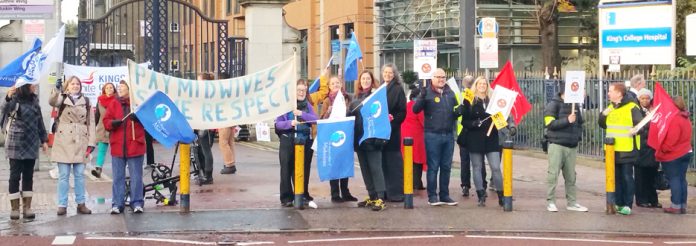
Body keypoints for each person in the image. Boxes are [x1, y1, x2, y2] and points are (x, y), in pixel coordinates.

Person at [412, 68, 460, 206]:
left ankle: (444, 195)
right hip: (432, 134)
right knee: (433, 167)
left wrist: (459, 112)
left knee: (446, 167)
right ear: (432, 78)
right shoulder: (427, 92)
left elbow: (455, 111)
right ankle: (432, 196)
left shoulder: (450, 93)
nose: (441, 79)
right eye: (438, 76)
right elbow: (416, 110)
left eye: (443, 77)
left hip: (448, 135)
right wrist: (421, 96)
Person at [50, 76, 96, 216]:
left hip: (81, 140)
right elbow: (52, 101)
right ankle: (62, 204)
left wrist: (91, 143)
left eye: (77, 84)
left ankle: (81, 203)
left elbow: (91, 123)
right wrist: (57, 90)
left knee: (80, 175)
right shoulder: (61, 98)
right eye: (72, 84)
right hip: (64, 140)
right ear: (67, 86)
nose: (75, 86)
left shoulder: (87, 101)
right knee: (63, 175)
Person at [2, 84, 48, 220]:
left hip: (31, 141)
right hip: (15, 141)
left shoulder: (34, 100)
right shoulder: (14, 98)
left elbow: (40, 121)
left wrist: (44, 140)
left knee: (28, 175)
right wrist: (8, 97)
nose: (35, 86)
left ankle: (27, 207)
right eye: (33, 84)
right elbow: (4, 110)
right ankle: (14, 208)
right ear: (25, 86)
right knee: (15, 175)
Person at [598, 82, 643, 215]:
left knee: (627, 177)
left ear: (619, 93)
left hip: (627, 149)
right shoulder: (611, 107)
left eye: (611, 91)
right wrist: (603, 115)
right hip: (612, 150)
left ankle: (627, 204)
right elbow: (602, 124)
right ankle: (617, 203)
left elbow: (642, 126)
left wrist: (635, 130)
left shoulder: (632, 107)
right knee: (615, 178)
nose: (608, 93)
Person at [543, 83, 588, 212]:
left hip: (571, 145)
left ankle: (572, 202)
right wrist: (567, 120)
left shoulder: (574, 106)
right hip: (557, 144)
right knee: (553, 174)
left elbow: (579, 122)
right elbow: (549, 124)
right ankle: (551, 201)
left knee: (571, 176)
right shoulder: (553, 104)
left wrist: (577, 136)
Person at [104, 80, 146, 214]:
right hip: (118, 146)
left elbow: (149, 120)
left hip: (135, 144)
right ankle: (117, 203)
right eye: (119, 87)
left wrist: (139, 118)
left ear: (130, 88)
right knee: (117, 177)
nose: (120, 89)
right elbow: (106, 121)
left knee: (136, 177)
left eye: (123, 86)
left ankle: (137, 202)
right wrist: (112, 124)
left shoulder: (138, 104)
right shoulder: (114, 103)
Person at [275, 79, 318, 208]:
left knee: (303, 169)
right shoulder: (286, 105)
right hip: (288, 139)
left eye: (303, 90)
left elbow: (316, 119)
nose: (301, 93)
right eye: (299, 90)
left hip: (304, 140)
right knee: (286, 169)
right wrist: (290, 123)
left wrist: (302, 114)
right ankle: (286, 197)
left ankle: (301, 194)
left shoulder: (307, 105)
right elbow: (278, 124)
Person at [461, 77, 503, 207]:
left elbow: (500, 118)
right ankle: (480, 195)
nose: (482, 86)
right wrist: (474, 123)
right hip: (475, 138)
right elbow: (464, 121)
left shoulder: (493, 100)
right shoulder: (469, 100)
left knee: (495, 167)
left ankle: (502, 195)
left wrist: (501, 123)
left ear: (487, 86)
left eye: (485, 84)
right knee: (477, 167)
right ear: (476, 85)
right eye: (480, 84)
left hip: (491, 137)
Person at [350, 70, 387, 211]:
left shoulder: (376, 97)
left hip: (372, 139)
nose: (365, 81)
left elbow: (381, 117)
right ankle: (371, 196)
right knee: (365, 169)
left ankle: (381, 198)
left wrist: (380, 137)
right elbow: (351, 116)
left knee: (376, 169)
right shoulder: (355, 99)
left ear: (372, 81)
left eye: (368, 78)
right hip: (360, 140)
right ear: (359, 81)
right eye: (363, 79)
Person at [320, 76, 357, 202]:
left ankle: (345, 192)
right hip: (332, 137)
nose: (335, 85)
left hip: (345, 135)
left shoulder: (348, 98)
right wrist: (328, 112)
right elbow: (322, 120)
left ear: (341, 84)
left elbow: (353, 113)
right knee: (334, 164)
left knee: (345, 163)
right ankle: (335, 194)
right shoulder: (326, 101)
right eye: (333, 83)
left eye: (337, 83)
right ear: (329, 86)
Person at [655, 96, 692, 214]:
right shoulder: (685, 118)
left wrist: (662, 150)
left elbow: (671, 140)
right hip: (686, 151)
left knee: (674, 179)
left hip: (674, 155)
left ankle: (675, 205)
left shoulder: (674, 119)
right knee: (682, 179)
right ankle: (682, 205)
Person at [380, 64, 407, 202]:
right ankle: (384, 191)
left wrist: (392, 122)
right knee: (383, 163)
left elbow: (403, 111)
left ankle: (396, 192)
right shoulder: (380, 88)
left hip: (393, 132)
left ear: (394, 74)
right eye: (385, 72)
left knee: (394, 164)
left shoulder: (397, 89)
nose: (388, 75)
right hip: (380, 133)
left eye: (390, 73)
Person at [634, 88, 661, 209]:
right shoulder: (636, 111)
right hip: (641, 147)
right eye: (642, 98)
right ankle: (641, 199)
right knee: (640, 176)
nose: (645, 100)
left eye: (647, 98)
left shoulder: (655, 110)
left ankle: (653, 199)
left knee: (652, 175)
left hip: (653, 147)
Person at [402, 85, 426, 191]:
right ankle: (417, 183)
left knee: (407, 161)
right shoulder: (418, 107)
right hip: (417, 137)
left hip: (404, 136)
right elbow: (424, 122)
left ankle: (408, 182)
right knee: (417, 161)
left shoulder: (406, 105)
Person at [92, 82, 117, 178]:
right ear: (104, 90)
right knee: (102, 150)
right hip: (103, 128)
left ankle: (118, 169)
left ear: (114, 90)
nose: (109, 89)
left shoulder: (117, 100)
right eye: (107, 88)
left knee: (116, 150)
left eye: (111, 88)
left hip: (115, 128)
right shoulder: (100, 101)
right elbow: (97, 115)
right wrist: (92, 127)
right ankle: (98, 169)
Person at [195, 73, 215, 184]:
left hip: (207, 126)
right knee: (202, 150)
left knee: (206, 151)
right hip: (202, 125)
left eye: (200, 81)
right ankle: (204, 173)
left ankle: (208, 176)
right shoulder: (202, 94)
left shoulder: (208, 95)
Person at [218, 74, 238, 175]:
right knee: (230, 142)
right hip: (231, 119)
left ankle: (229, 164)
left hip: (224, 119)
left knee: (223, 143)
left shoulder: (222, 92)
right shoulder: (232, 91)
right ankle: (231, 163)